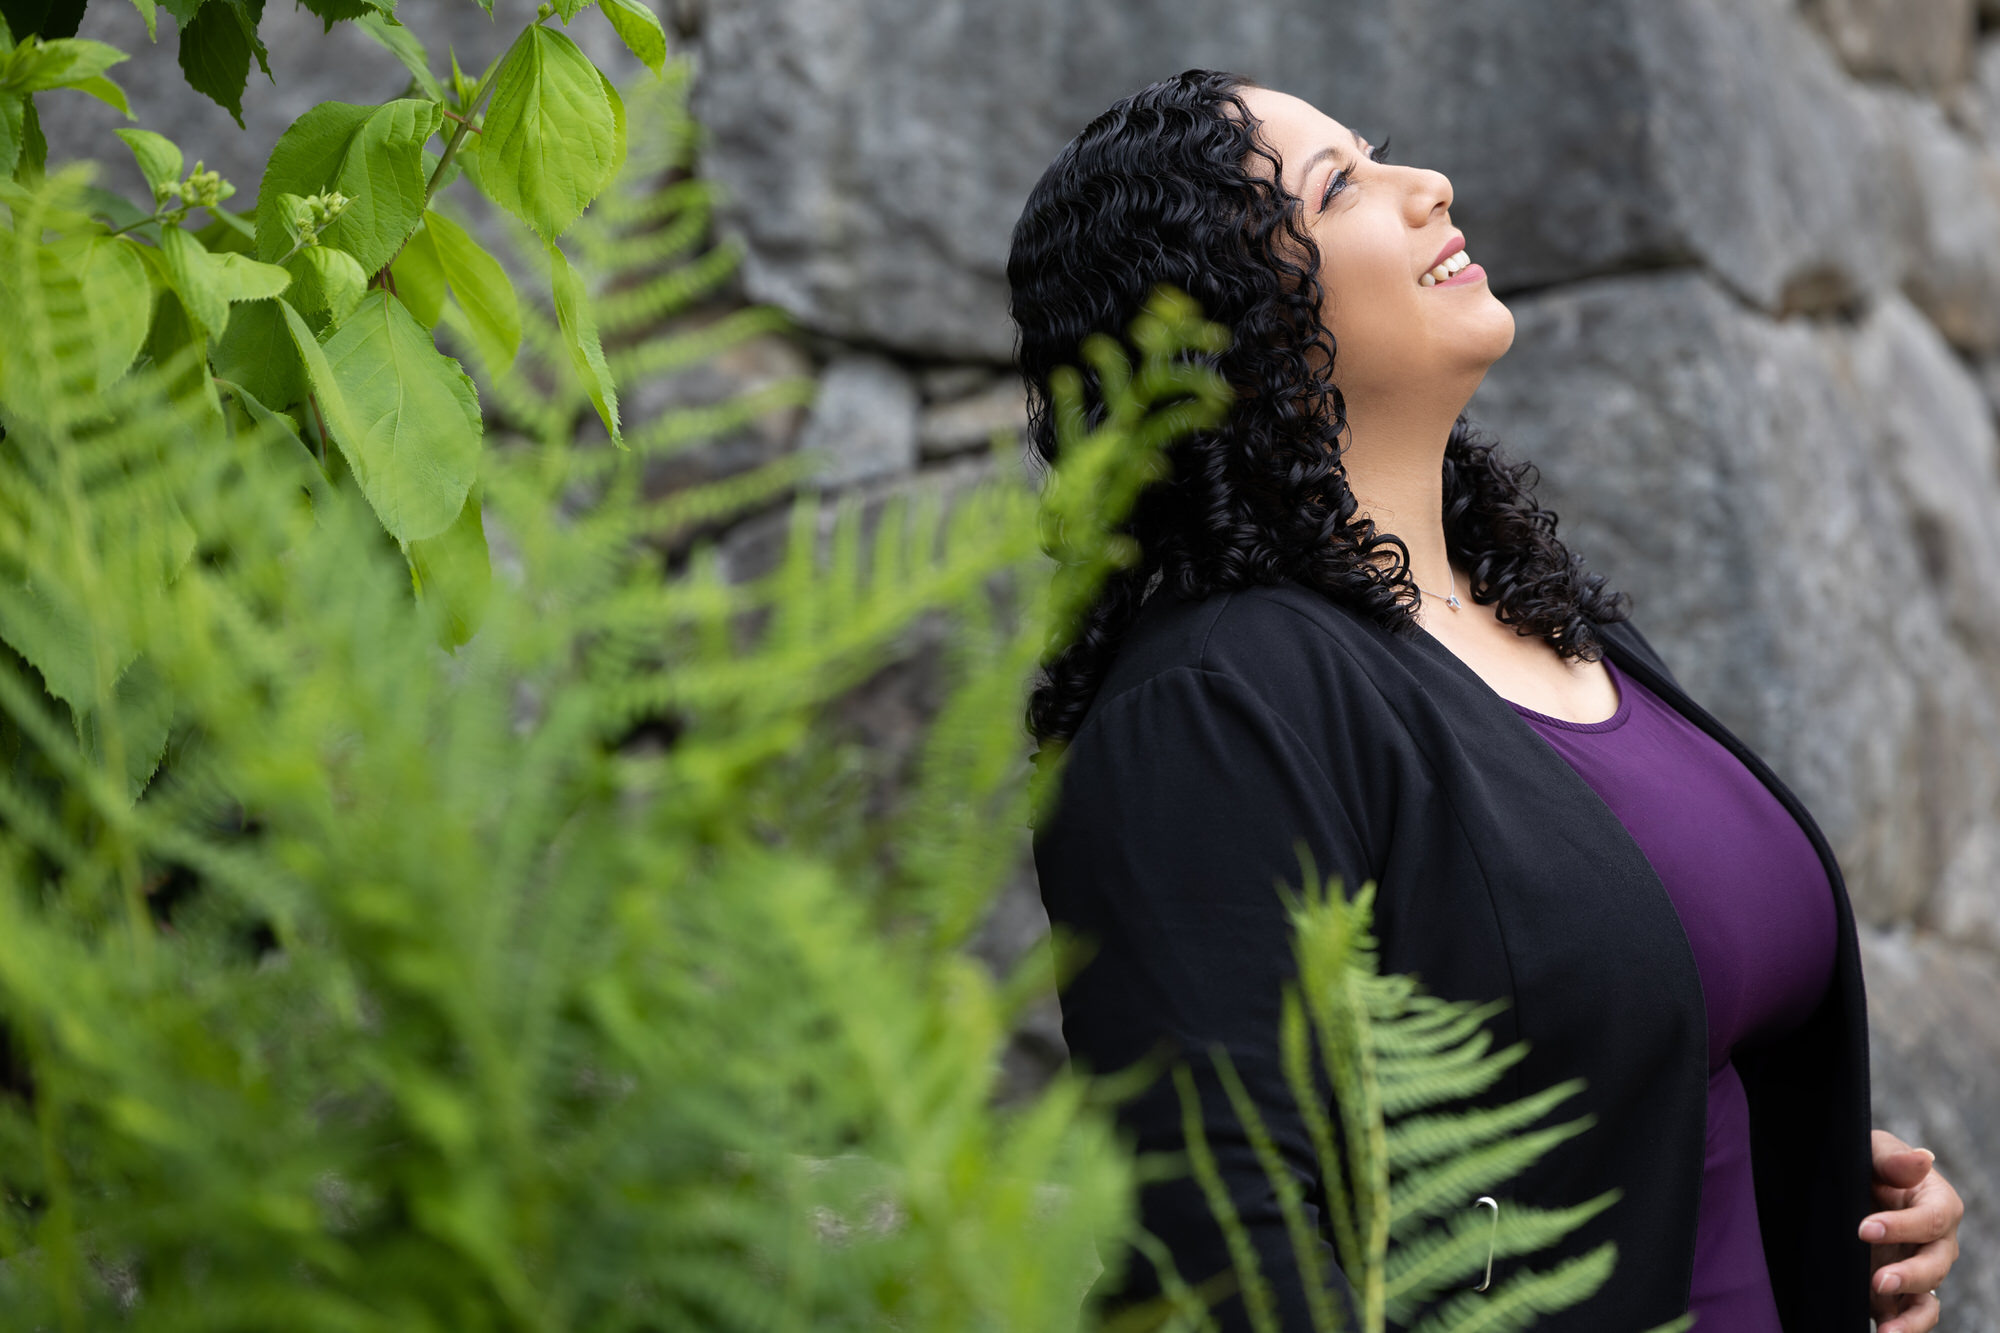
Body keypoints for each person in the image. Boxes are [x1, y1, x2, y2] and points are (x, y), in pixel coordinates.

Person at [1010, 69, 1964, 1333]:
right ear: (1211, 316)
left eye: (1379, 152)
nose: (1426, 188)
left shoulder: (1551, 619)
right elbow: (1227, 1246)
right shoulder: (1210, 704)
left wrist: (1815, 1196)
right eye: (1337, 186)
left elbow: (1626, 1045)